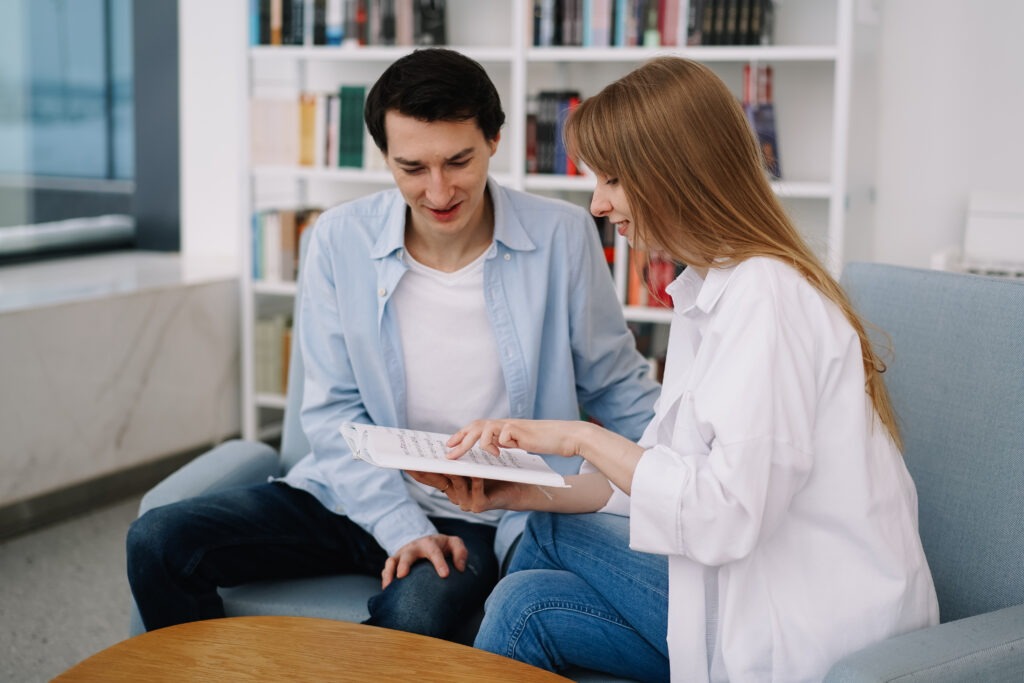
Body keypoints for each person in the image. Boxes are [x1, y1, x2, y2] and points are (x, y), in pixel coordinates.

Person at [417, 57, 939, 681]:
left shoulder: (766, 298)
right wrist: (516, 492)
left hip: (802, 621)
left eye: (612, 178)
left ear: (676, 172)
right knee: (524, 601)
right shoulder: (708, 296)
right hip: (736, 588)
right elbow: (666, 482)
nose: (598, 203)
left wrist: (577, 436)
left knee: (552, 538)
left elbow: (721, 517)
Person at [125, 48, 659, 642]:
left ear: (495, 141)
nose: (438, 191)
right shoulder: (338, 238)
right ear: (384, 156)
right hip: (352, 495)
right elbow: (330, 413)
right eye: (412, 168)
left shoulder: (561, 233)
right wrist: (399, 525)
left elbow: (613, 383)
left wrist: (683, 466)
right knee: (158, 540)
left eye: (458, 161)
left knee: (414, 617)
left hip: (483, 513)